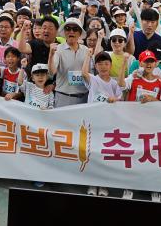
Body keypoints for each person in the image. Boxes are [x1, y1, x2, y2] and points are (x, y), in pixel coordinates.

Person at [82, 49, 125, 198]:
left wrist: (115, 99)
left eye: (106, 63)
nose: (103, 66)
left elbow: (121, 97)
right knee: (92, 153)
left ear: (110, 65)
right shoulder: (93, 79)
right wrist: (88, 56)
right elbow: (84, 74)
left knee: (106, 154)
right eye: (99, 64)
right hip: (93, 122)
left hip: (109, 123)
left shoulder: (114, 83)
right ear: (96, 66)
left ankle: (104, 184)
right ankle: (92, 183)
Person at [48, 18, 88, 107]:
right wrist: (51, 55)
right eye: (68, 28)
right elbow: (52, 72)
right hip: (63, 98)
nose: (71, 31)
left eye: (75, 29)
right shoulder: (58, 49)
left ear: (80, 33)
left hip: (84, 98)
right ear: (64, 32)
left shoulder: (86, 50)